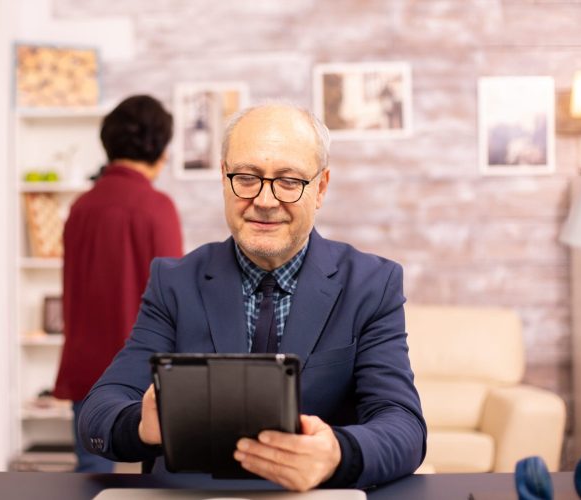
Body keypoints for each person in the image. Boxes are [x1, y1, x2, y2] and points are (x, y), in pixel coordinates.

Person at [78, 102, 426, 490]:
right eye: (247, 177)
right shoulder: (173, 282)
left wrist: (337, 454)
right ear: (224, 178)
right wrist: (141, 426)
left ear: (321, 188)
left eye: (289, 181)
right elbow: (98, 412)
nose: (264, 200)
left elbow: (404, 425)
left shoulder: (372, 284)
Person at [53, 95, 183, 472]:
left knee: (90, 480)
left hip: (85, 367)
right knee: (161, 485)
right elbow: (176, 301)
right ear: (160, 148)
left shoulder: (81, 207)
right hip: (140, 377)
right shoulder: (156, 207)